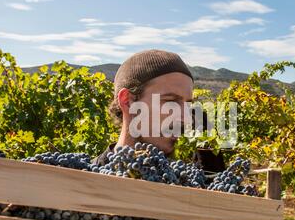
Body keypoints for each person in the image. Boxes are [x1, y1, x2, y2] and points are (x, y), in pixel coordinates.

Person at [92, 49, 225, 172]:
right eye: (171, 101)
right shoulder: (82, 180)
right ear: (128, 101)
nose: (185, 118)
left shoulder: (184, 183)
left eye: (188, 105)